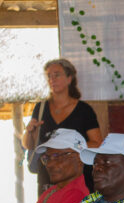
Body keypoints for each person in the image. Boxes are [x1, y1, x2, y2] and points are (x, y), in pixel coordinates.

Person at [21, 58, 102, 194]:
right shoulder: (40, 108)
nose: (52, 79)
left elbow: (97, 143)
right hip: (48, 176)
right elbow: (28, 145)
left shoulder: (84, 110)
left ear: (69, 78)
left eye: (57, 74)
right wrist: (29, 131)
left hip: (78, 176)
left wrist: (71, 150)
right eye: (49, 76)